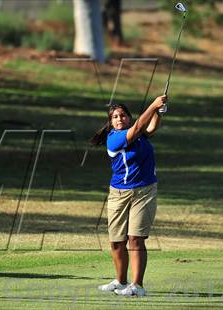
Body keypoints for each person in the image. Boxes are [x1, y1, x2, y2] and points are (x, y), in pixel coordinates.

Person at [91, 95, 167, 297]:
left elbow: (150, 128)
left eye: (123, 115)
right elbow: (136, 130)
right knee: (116, 241)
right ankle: (120, 281)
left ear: (129, 118)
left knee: (135, 239)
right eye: (115, 117)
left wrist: (158, 112)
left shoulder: (139, 134)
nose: (119, 119)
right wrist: (153, 105)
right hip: (118, 194)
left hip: (144, 191)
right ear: (111, 122)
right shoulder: (114, 138)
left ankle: (137, 285)